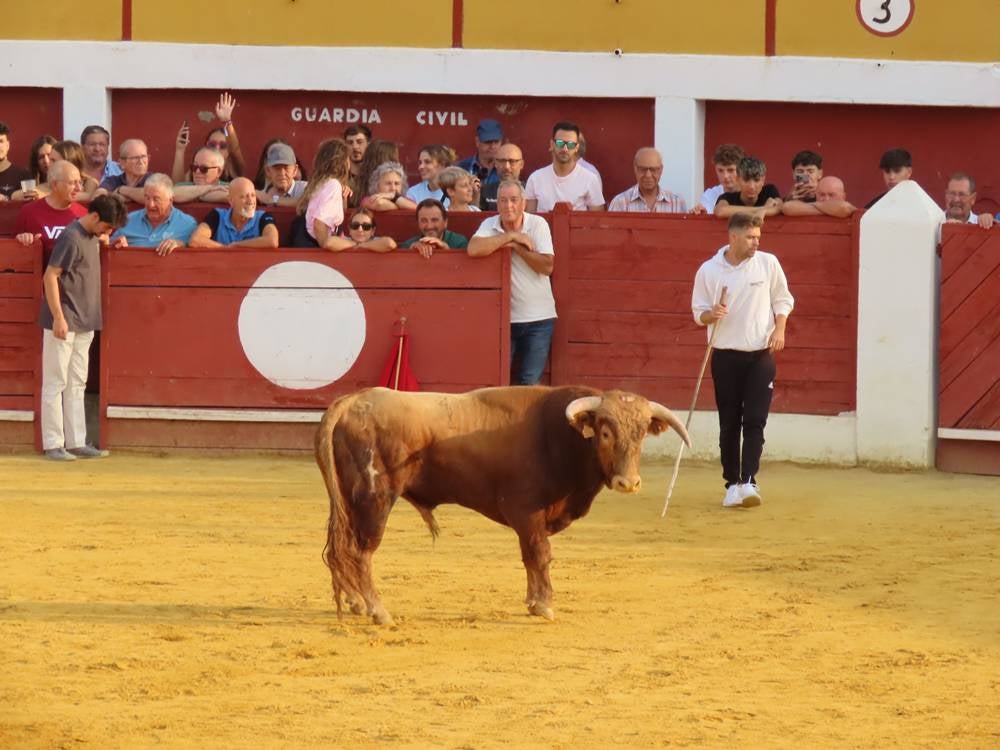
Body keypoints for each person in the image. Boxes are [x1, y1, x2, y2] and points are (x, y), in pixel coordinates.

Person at [692, 212, 794, 508]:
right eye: (750, 237)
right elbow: (698, 313)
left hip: (761, 354)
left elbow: (783, 299)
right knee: (729, 423)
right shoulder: (709, 270)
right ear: (733, 237)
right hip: (725, 355)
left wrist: (780, 328)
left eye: (758, 237)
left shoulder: (768, 263)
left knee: (755, 420)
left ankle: (749, 480)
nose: (756, 243)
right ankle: (731, 484)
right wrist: (712, 314)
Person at [39, 193, 129, 460]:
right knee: (56, 382)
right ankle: (53, 443)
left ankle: (76, 441)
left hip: (85, 320)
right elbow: (50, 275)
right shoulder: (70, 237)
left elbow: (99, 239)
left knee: (77, 382)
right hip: (65, 319)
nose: (108, 232)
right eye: (108, 226)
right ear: (95, 216)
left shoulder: (91, 235)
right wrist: (58, 316)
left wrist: (109, 239)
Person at [468, 180, 556, 385]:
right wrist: (512, 237)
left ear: (523, 203)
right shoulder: (490, 224)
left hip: (539, 318)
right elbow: (473, 249)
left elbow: (547, 266)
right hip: (503, 318)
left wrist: (516, 247)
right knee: (498, 381)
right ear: (497, 204)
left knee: (529, 382)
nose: (508, 206)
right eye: (503, 200)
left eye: (514, 200)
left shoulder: (537, 224)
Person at [14, 160, 88, 264]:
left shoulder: (84, 214)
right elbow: (13, 250)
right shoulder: (29, 212)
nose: (79, 188)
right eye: (72, 183)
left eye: (80, 182)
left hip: (74, 273)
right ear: (54, 185)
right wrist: (22, 238)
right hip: (40, 272)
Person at [524, 121, 605, 212]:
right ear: (552, 144)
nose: (565, 149)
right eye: (560, 143)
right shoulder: (535, 179)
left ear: (576, 148)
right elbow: (530, 217)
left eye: (570, 144)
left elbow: (597, 219)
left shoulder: (590, 179)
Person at [111, 173, 198, 255]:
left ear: (171, 200)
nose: (150, 205)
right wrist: (116, 244)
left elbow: (196, 253)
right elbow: (110, 246)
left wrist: (181, 244)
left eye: (156, 199)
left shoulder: (187, 224)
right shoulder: (128, 220)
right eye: (147, 198)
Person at [171, 92, 246, 184]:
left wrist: (227, 122)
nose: (217, 148)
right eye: (212, 144)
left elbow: (235, 148)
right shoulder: (198, 167)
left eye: (223, 145)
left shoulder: (234, 170)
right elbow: (178, 186)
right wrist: (180, 150)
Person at [189, 177, 279, 248]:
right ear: (231, 201)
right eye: (244, 196)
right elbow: (195, 240)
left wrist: (237, 245)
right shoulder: (217, 215)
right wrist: (226, 249)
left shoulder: (263, 216)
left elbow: (272, 241)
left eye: (253, 195)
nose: (251, 201)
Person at [297, 138, 351, 247]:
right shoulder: (333, 185)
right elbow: (319, 224)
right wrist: (325, 249)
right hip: (316, 249)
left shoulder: (318, 184)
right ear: (343, 162)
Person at [12, 140, 99, 202]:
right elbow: (15, 195)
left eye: (53, 160)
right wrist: (31, 194)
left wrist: (44, 196)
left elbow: (89, 197)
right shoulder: (50, 184)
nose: (48, 163)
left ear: (68, 163)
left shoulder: (89, 182)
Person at [608, 147, 687, 213]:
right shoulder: (620, 203)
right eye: (643, 169)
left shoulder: (677, 203)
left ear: (661, 170)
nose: (648, 175)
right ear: (635, 169)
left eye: (653, 169)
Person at [713, 156, 782, 218]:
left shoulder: (769, 191)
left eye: (756, 180)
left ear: (763, 180)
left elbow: (779, 207)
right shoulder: (727, 197)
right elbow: (720, 211)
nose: (751, 186)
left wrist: (764, 210)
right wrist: (763, 209)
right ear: (737, 179)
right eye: (746, 180)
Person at [401, 199, 469, 258]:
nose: (429, 226)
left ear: (445, 222)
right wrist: (411, 252)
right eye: (424, 221)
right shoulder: (409, 245)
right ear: (418, 223)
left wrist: (447, 250)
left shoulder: (459, 243)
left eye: (434, 220)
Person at [693, 143, 744, 214]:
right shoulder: (710, 195)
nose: (725, 176)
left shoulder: (752, 192)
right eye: (720, 170)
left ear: (741, 170)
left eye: (731, 170)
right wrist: (703, 213)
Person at [457, 118, 503, 196]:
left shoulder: (506, 168)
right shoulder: (462, 168)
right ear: (477, 141)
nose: (492, 146)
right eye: (488, 142)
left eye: (496, 142)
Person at [319, 207, 396, 253]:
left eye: (366, 226)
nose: (360, 229)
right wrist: (355, 244)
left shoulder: (376, 241)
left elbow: (390, 244)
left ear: (372, 231)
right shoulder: (345, 240)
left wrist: (363, 245)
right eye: (355, 225)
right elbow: (329, 243)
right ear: (349, 229)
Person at [255, 142, 308, 208]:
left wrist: (272, 200)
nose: (282, 173)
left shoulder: (305, 188)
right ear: (268, 171)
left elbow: (310, 202)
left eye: (286, 168)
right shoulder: (261, 196)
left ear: (295, 170)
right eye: (277, 168)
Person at [355, 139, 401, 209]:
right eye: (394, 160)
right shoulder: (360, 189)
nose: (396, 164)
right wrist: (400, 205)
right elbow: (379, 203)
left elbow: (415, 207)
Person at [782, 175, 856, 218]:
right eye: (822, 194)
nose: (826, 199)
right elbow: (787, 207)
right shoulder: (817, 205)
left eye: (831, 195)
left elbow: (844, 208)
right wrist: (829, 209)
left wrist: (811, 206)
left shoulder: (848, 206)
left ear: (843, 196)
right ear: (816, 195)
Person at [480, 142, 524, 211]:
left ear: (521, 164)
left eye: (512, 161)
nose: (507, 167)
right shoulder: (484, 191)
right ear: (495, 163)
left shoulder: (530, 191)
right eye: (502, 161)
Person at [0, 122, 33, 200]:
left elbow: (32, 202)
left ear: (7, 145)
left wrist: (7, 199)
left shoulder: (24, 175)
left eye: (1, 141)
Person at [344, 124, 372, 206]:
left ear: (368, 144)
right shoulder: (338, 176)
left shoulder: (375, 175)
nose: (355, 147)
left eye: (359, 142)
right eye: (350, 143)